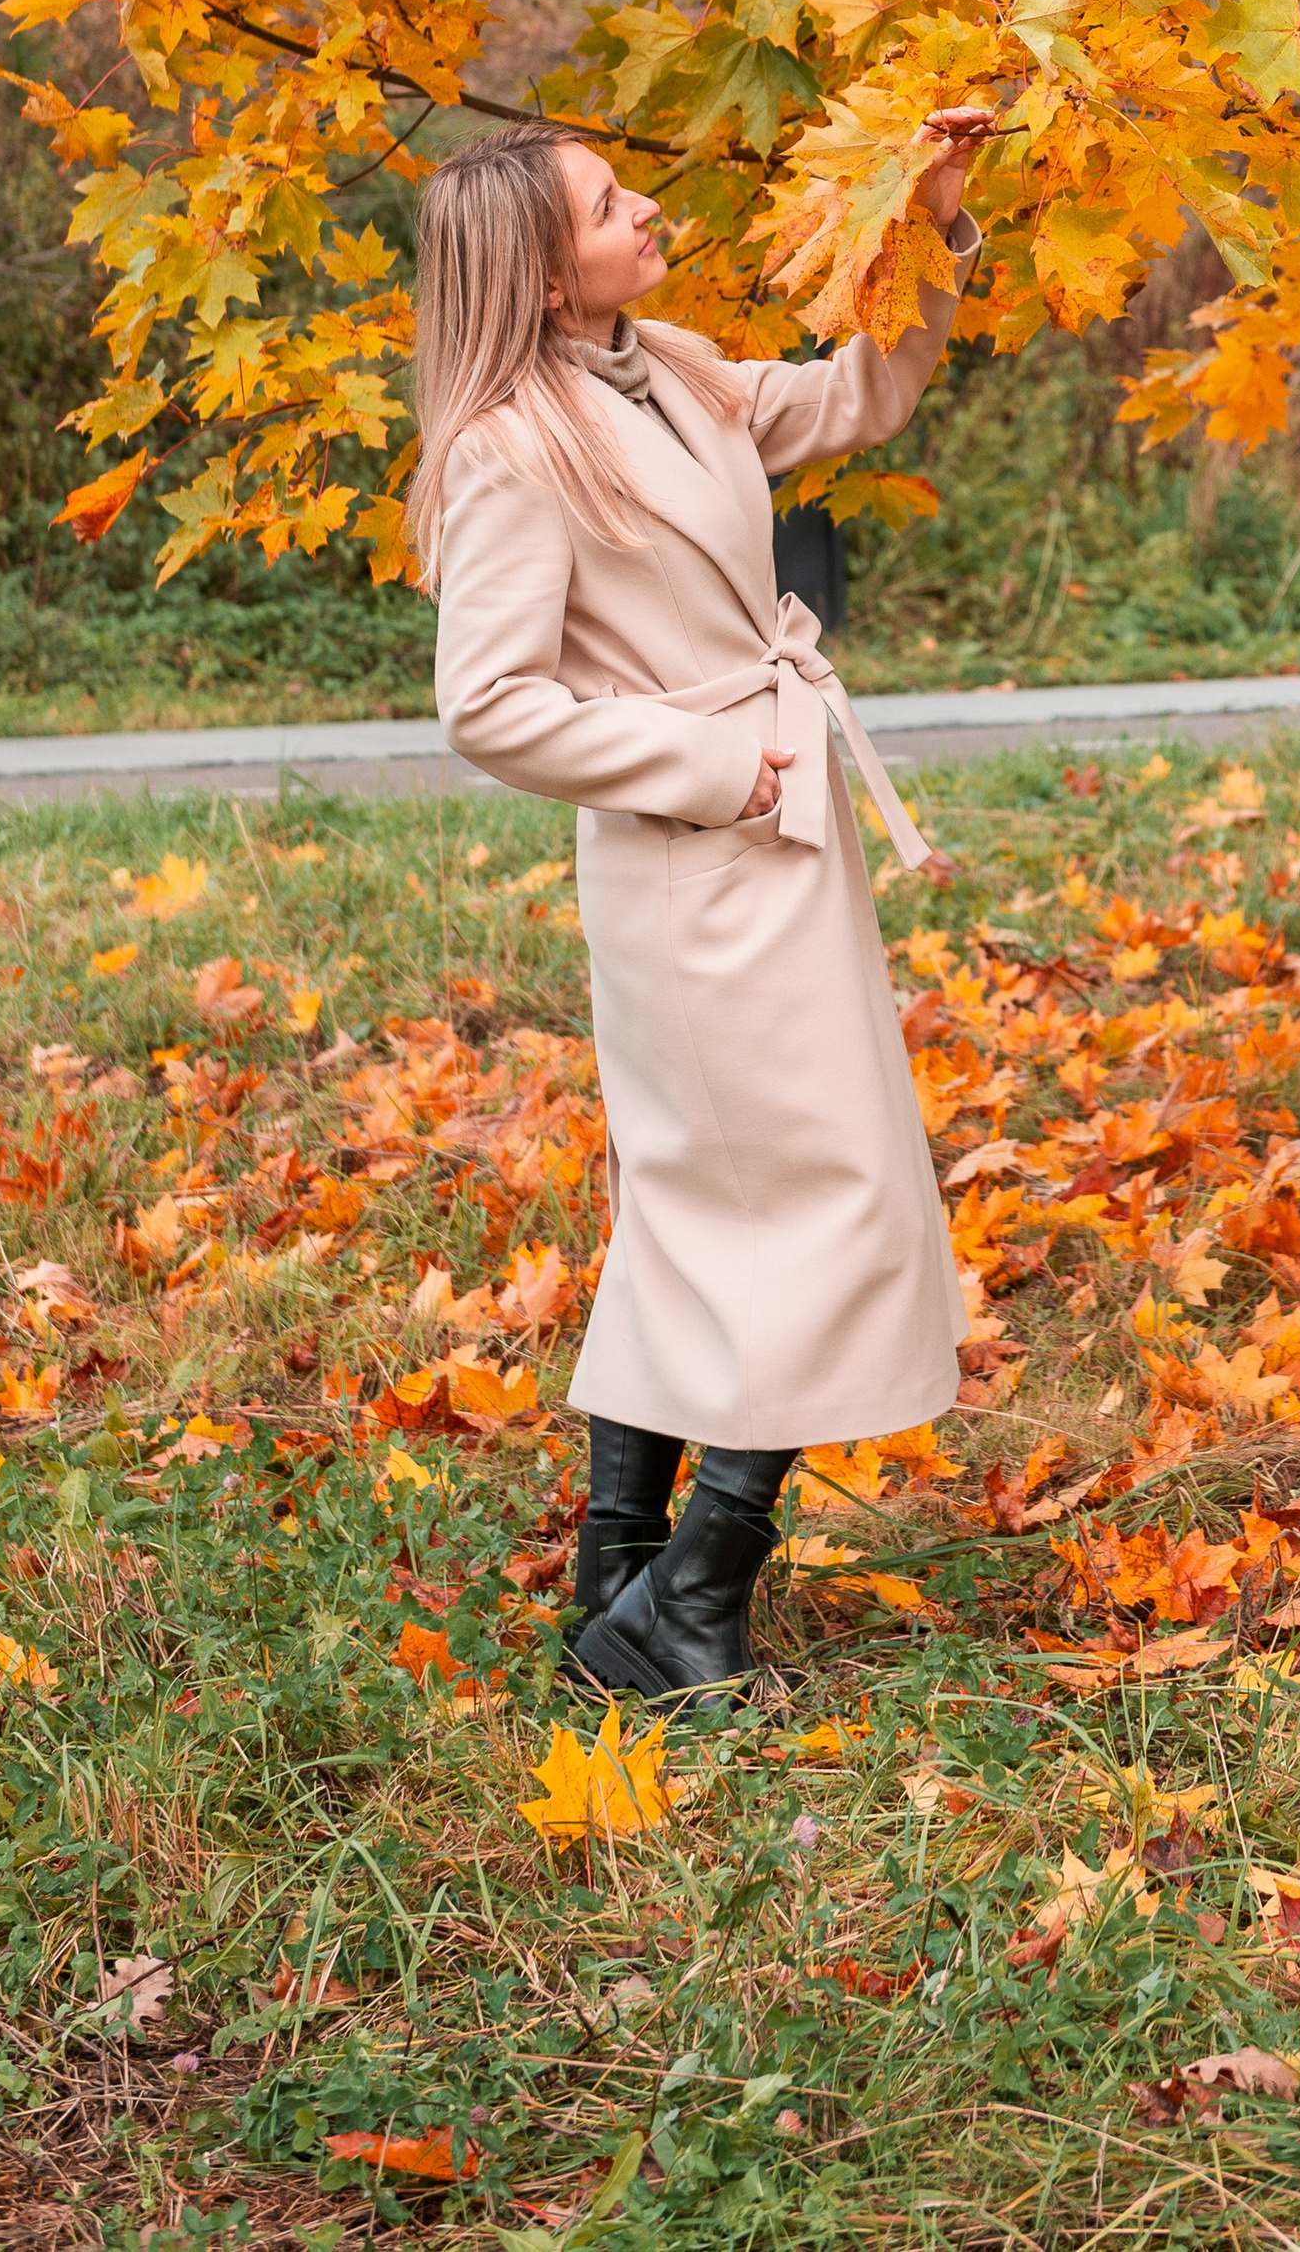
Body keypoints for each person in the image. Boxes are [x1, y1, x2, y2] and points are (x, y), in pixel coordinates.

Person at [409, 109, 990, 1710]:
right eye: (612, 203)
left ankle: (624, 1576)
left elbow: (859, 392)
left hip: (768, 846)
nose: (648, 206)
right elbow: (492, 703)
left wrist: (932, 229)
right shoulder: (509, 451)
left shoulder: (668, 363)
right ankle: (694, 1593)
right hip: (701, 866)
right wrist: (717, 767)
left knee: (697, 1216)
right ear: (541, 274)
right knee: (834, 1204)